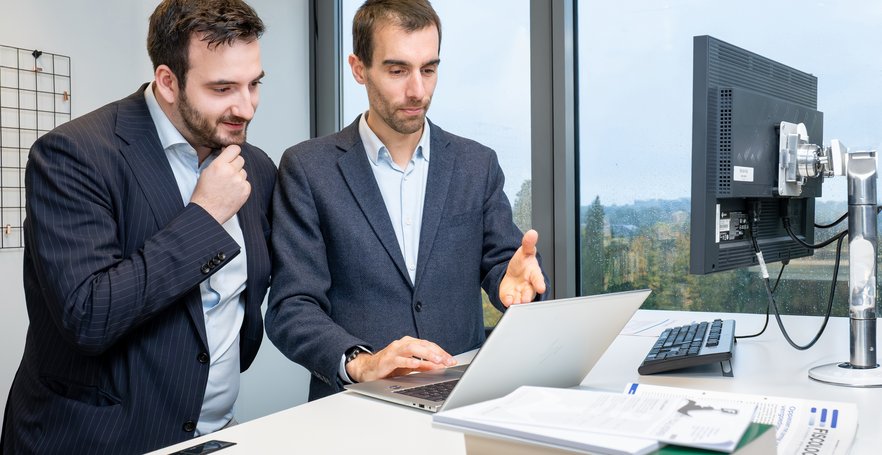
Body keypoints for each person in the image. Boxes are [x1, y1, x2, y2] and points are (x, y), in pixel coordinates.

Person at [0, 0, 275, 453]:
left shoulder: (256, 168)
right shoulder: (73, 155)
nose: (246, 108)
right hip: (96, 440)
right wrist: (205, 216)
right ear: (168, 81)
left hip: (216, 435)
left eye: (254, 85)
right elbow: (88, 315)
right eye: (223, 88)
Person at [266, 0, 548, 401]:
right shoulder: (308, 169)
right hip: (355, 408)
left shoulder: (476, 164)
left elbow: (505, 264)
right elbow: (291, 307)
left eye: (429, 70)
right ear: (359, 68)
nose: (417, 90)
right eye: (398, 71)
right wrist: (361, 362)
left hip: (463, 398)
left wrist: (513, 282)